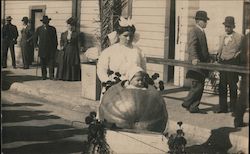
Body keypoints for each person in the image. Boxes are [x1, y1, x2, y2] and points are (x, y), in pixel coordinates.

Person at [97, 16, 147, 84]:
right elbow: (101, 70)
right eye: (125, 36)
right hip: (114, 85)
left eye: (131, 36)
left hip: (135, 85)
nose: (128, 38)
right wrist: (108, 82)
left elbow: (143, 69)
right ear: (119, 35)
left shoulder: (138, 51)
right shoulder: (109, 51)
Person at [181, 10, 211, 113]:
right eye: (204, 21)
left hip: (203, 65)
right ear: (198, 21)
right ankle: (187, 102)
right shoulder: (194, 31)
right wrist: (194, 58)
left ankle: (194, 107)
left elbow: (203, 48)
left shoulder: (202, 31)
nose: (206, 23)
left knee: (201, 86)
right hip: (196, 64)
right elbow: (192, 45)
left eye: (206, 21)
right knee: (197, 86)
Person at [216, 16, 244, 113]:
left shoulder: (239, 37)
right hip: (223, 63)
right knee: (222, 86)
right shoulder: (223, 36)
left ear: (233, 27)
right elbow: (220, 49)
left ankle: (233, 107)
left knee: (232, 86)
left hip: (232, 63)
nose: (227, 28)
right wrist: (218, 58)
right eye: (226, 26)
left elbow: (243, 49)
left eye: (229, 26)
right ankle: (222, 107)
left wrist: (238, 54)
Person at [234, 26, 249, 127]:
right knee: (244, 96)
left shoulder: (246, 37)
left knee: (243, 96)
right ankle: (238, 121)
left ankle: (238, 121)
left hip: (245, 71)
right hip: (248, 71)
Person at [34, 15, 58, 80]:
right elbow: (35, 38)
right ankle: (44, 75)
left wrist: (55, 48)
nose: (45, 23)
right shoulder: (39, 29)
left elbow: (55, 39)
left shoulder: (53, 29)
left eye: (47, 22)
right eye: (44, 22)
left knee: (51, 63)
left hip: (51, 49)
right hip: (42, 48)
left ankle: (51, 75)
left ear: (48, 22)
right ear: (42, 22)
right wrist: (36, 46)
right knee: (43, 63)